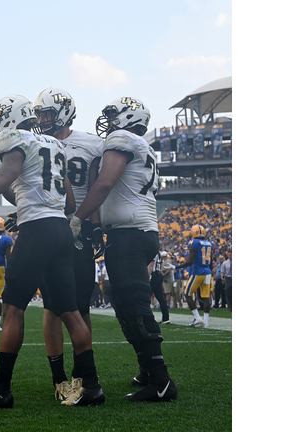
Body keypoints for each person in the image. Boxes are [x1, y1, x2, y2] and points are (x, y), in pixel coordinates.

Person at [0, 94, 104, 408]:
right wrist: (26, 201)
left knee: (13, 309)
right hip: (60, 231)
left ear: (7, 119)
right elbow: (68, 204)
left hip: (37, 231)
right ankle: (91, 387)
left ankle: (1, 388)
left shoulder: (15, 140)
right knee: (70, 312)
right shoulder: (53, 145)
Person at [68, 96, 176, 402]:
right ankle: (147, 368)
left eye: (115, 115)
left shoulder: (122, 138)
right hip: (134, 232)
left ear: (130, 117)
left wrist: (78, 219)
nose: (110, 121)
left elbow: (103, 184)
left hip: (131, 233)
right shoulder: (140, 146)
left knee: (135, 304)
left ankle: (161, 380)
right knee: (125, 304)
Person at [33, 88, 105, 401]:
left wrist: (98, 226)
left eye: (47, 113)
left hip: (80, 228)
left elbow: (96, 187)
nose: (42, 119)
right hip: (49, 226)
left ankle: (81, 373)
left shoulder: (91, 143)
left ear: (63, 112)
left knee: (80, 305)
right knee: (52, 307)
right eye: (40, 114)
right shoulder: (33, 142)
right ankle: (59, 378)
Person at [176, 224, 213, 328]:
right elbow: (210, 262)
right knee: (205, 297)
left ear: (193, 232)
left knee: (187, 294)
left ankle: (197, 317)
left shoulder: (193, 242)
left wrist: (176, 267)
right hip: (207, 272)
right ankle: (205, 321)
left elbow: (190, 261)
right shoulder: (209, 243)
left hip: (198, 272)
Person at [149, 251, 170, 324]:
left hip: (154, 275)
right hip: (158, 274)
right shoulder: (158, 253)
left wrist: (148, 276)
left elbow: (151, 265)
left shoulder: (152, 251)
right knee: (160, 297)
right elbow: (160, 264)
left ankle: (147, 317)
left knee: (147, 295)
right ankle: (166, 318)